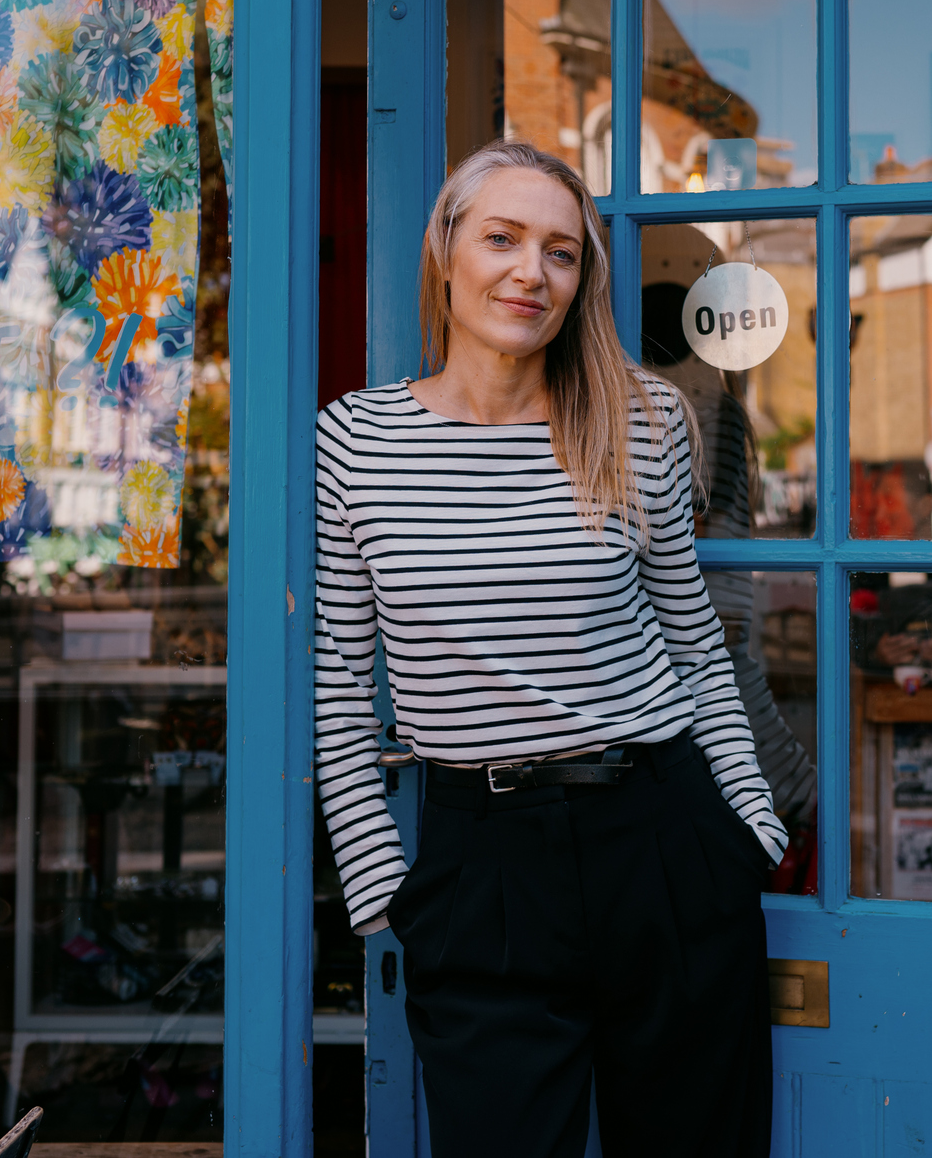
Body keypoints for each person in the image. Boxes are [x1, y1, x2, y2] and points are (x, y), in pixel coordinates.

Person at [312, 140, 785, 1157]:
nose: (531, 270)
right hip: (480, 869)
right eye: (502, 237)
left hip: (660, 841)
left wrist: (745, 825)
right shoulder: (356, 440)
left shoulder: (639, 418)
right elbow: (344, 682)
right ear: (446, 252)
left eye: (562, 252)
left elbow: (696, 644)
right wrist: (381, 886)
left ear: (583, 281)